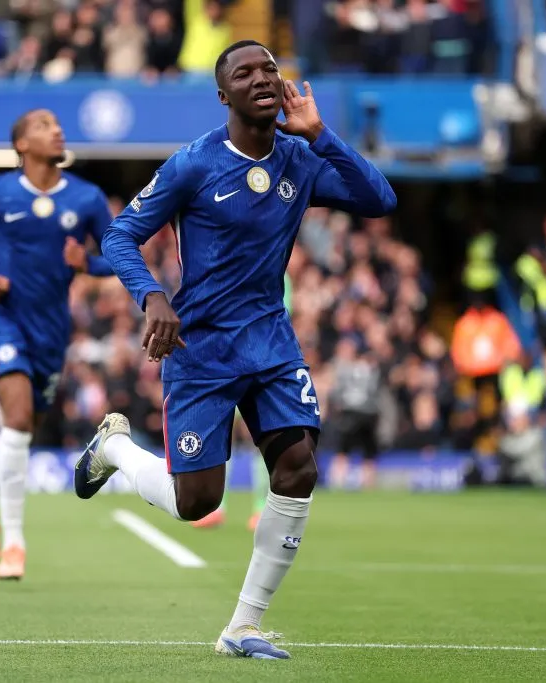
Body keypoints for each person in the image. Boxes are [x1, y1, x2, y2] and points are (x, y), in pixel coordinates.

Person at [73, 40, 396, 659]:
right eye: (244, 73)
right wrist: (152, 297)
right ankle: (113, 447)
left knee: (298, 465)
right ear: (224, 95)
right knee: (198, 503)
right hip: (201, 349)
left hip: (271, 340)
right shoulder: (193, 164)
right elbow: (120, 236)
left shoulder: (301, 160)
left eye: (269, 69)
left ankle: (242, 626)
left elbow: (379, 200)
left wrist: (323, 135)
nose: (261, 79)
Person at [0, 109, 115, 580]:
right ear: (21, 144)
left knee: (22, 430)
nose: (56, 129)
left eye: (57, 125)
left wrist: (89, 263)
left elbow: (118, 255)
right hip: (5, 321)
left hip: (52, 330)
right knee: (16, 419)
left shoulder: (86, 198)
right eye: (43, 125)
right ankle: (15, 543)